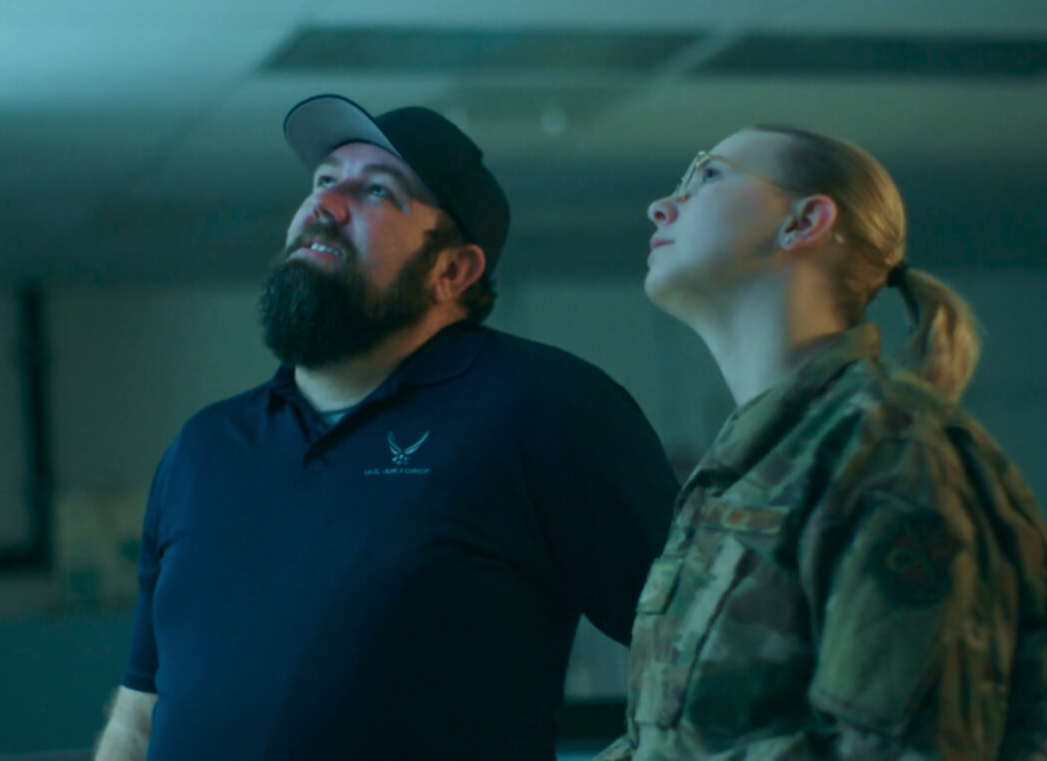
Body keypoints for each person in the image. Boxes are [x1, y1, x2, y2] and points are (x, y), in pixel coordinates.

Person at [93, 94, 682, 761]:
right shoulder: (204, 448)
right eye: (323, 180)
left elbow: (707, 655)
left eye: (376, 190)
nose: (327, 203)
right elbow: (140, 713)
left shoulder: (549, 413)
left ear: (451, 271)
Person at [599, 125, 1047, 759]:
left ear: (804, 222)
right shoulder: (746, 468)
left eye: (708, 176)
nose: (662, 205)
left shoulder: (891, 452)